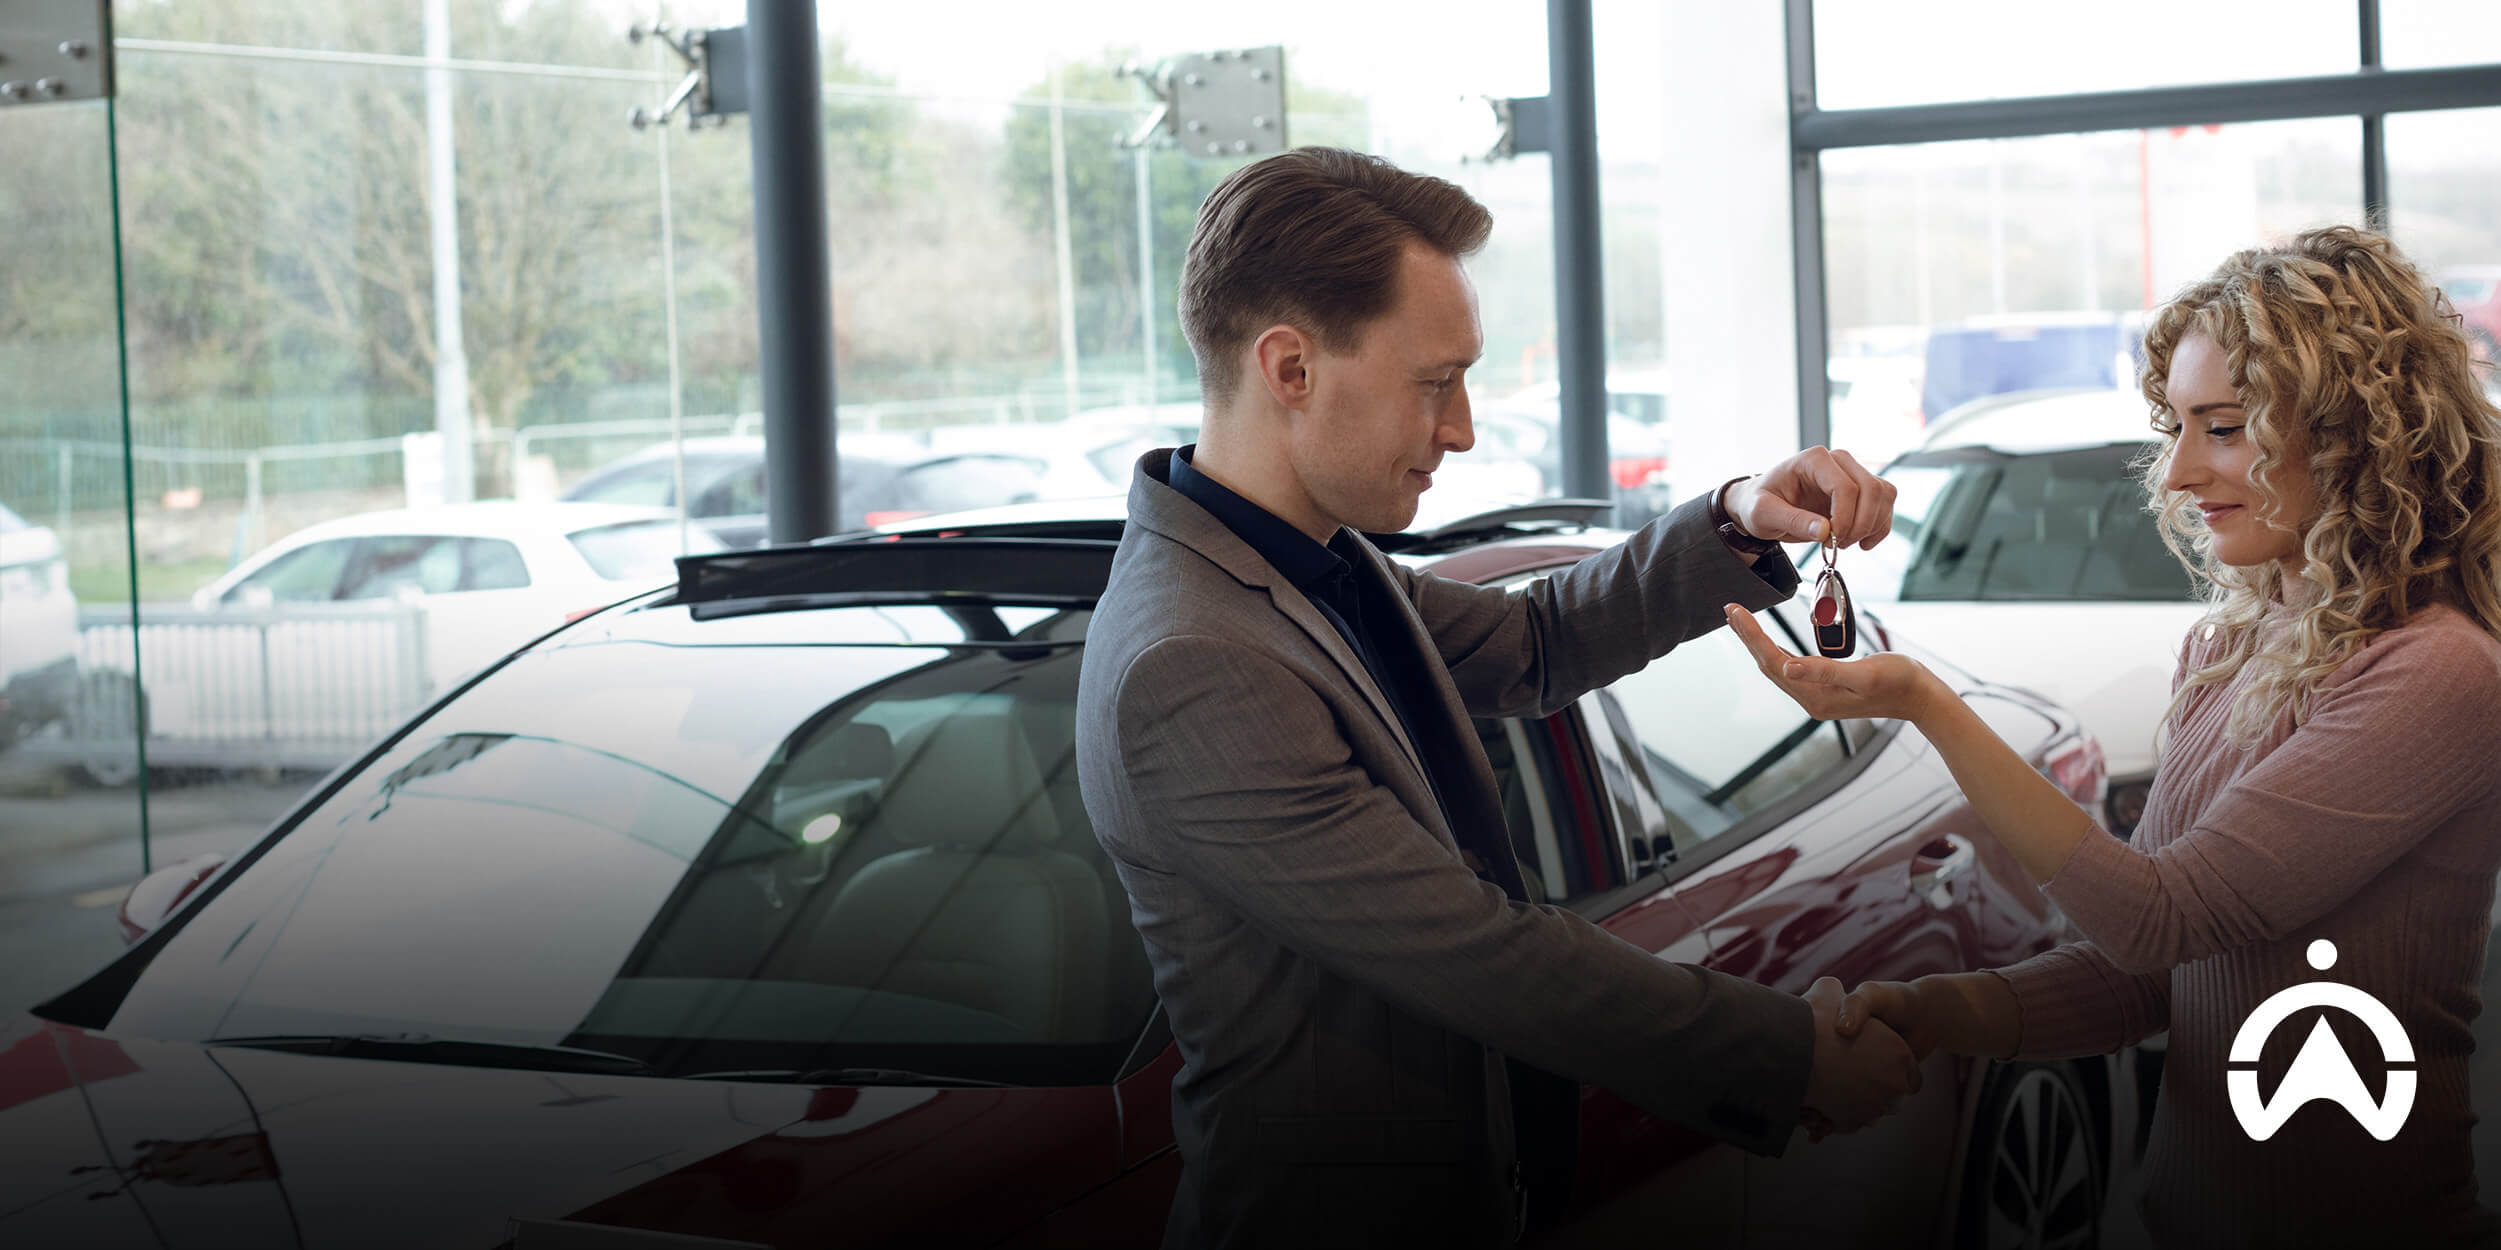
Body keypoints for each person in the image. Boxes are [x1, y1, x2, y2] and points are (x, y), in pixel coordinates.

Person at [1072, 145, 1918, 1250]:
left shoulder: (1306, 560)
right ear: (1289, 369)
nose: (1462, 426)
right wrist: (1791, 1052)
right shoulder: (1190, 660)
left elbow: (1533, 641)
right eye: (1435, 381)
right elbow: (1476, 950)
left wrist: (1734, 515)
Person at [1725, 224, 2501, 1249]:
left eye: (2221, 427)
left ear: (2353, 432)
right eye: (2174, 425)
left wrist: (1922, 699)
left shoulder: (2435, 670)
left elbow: (2157, 915)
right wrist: (1938, 1008)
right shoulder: (2228, 645)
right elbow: (2147, 975)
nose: (2178, 471)